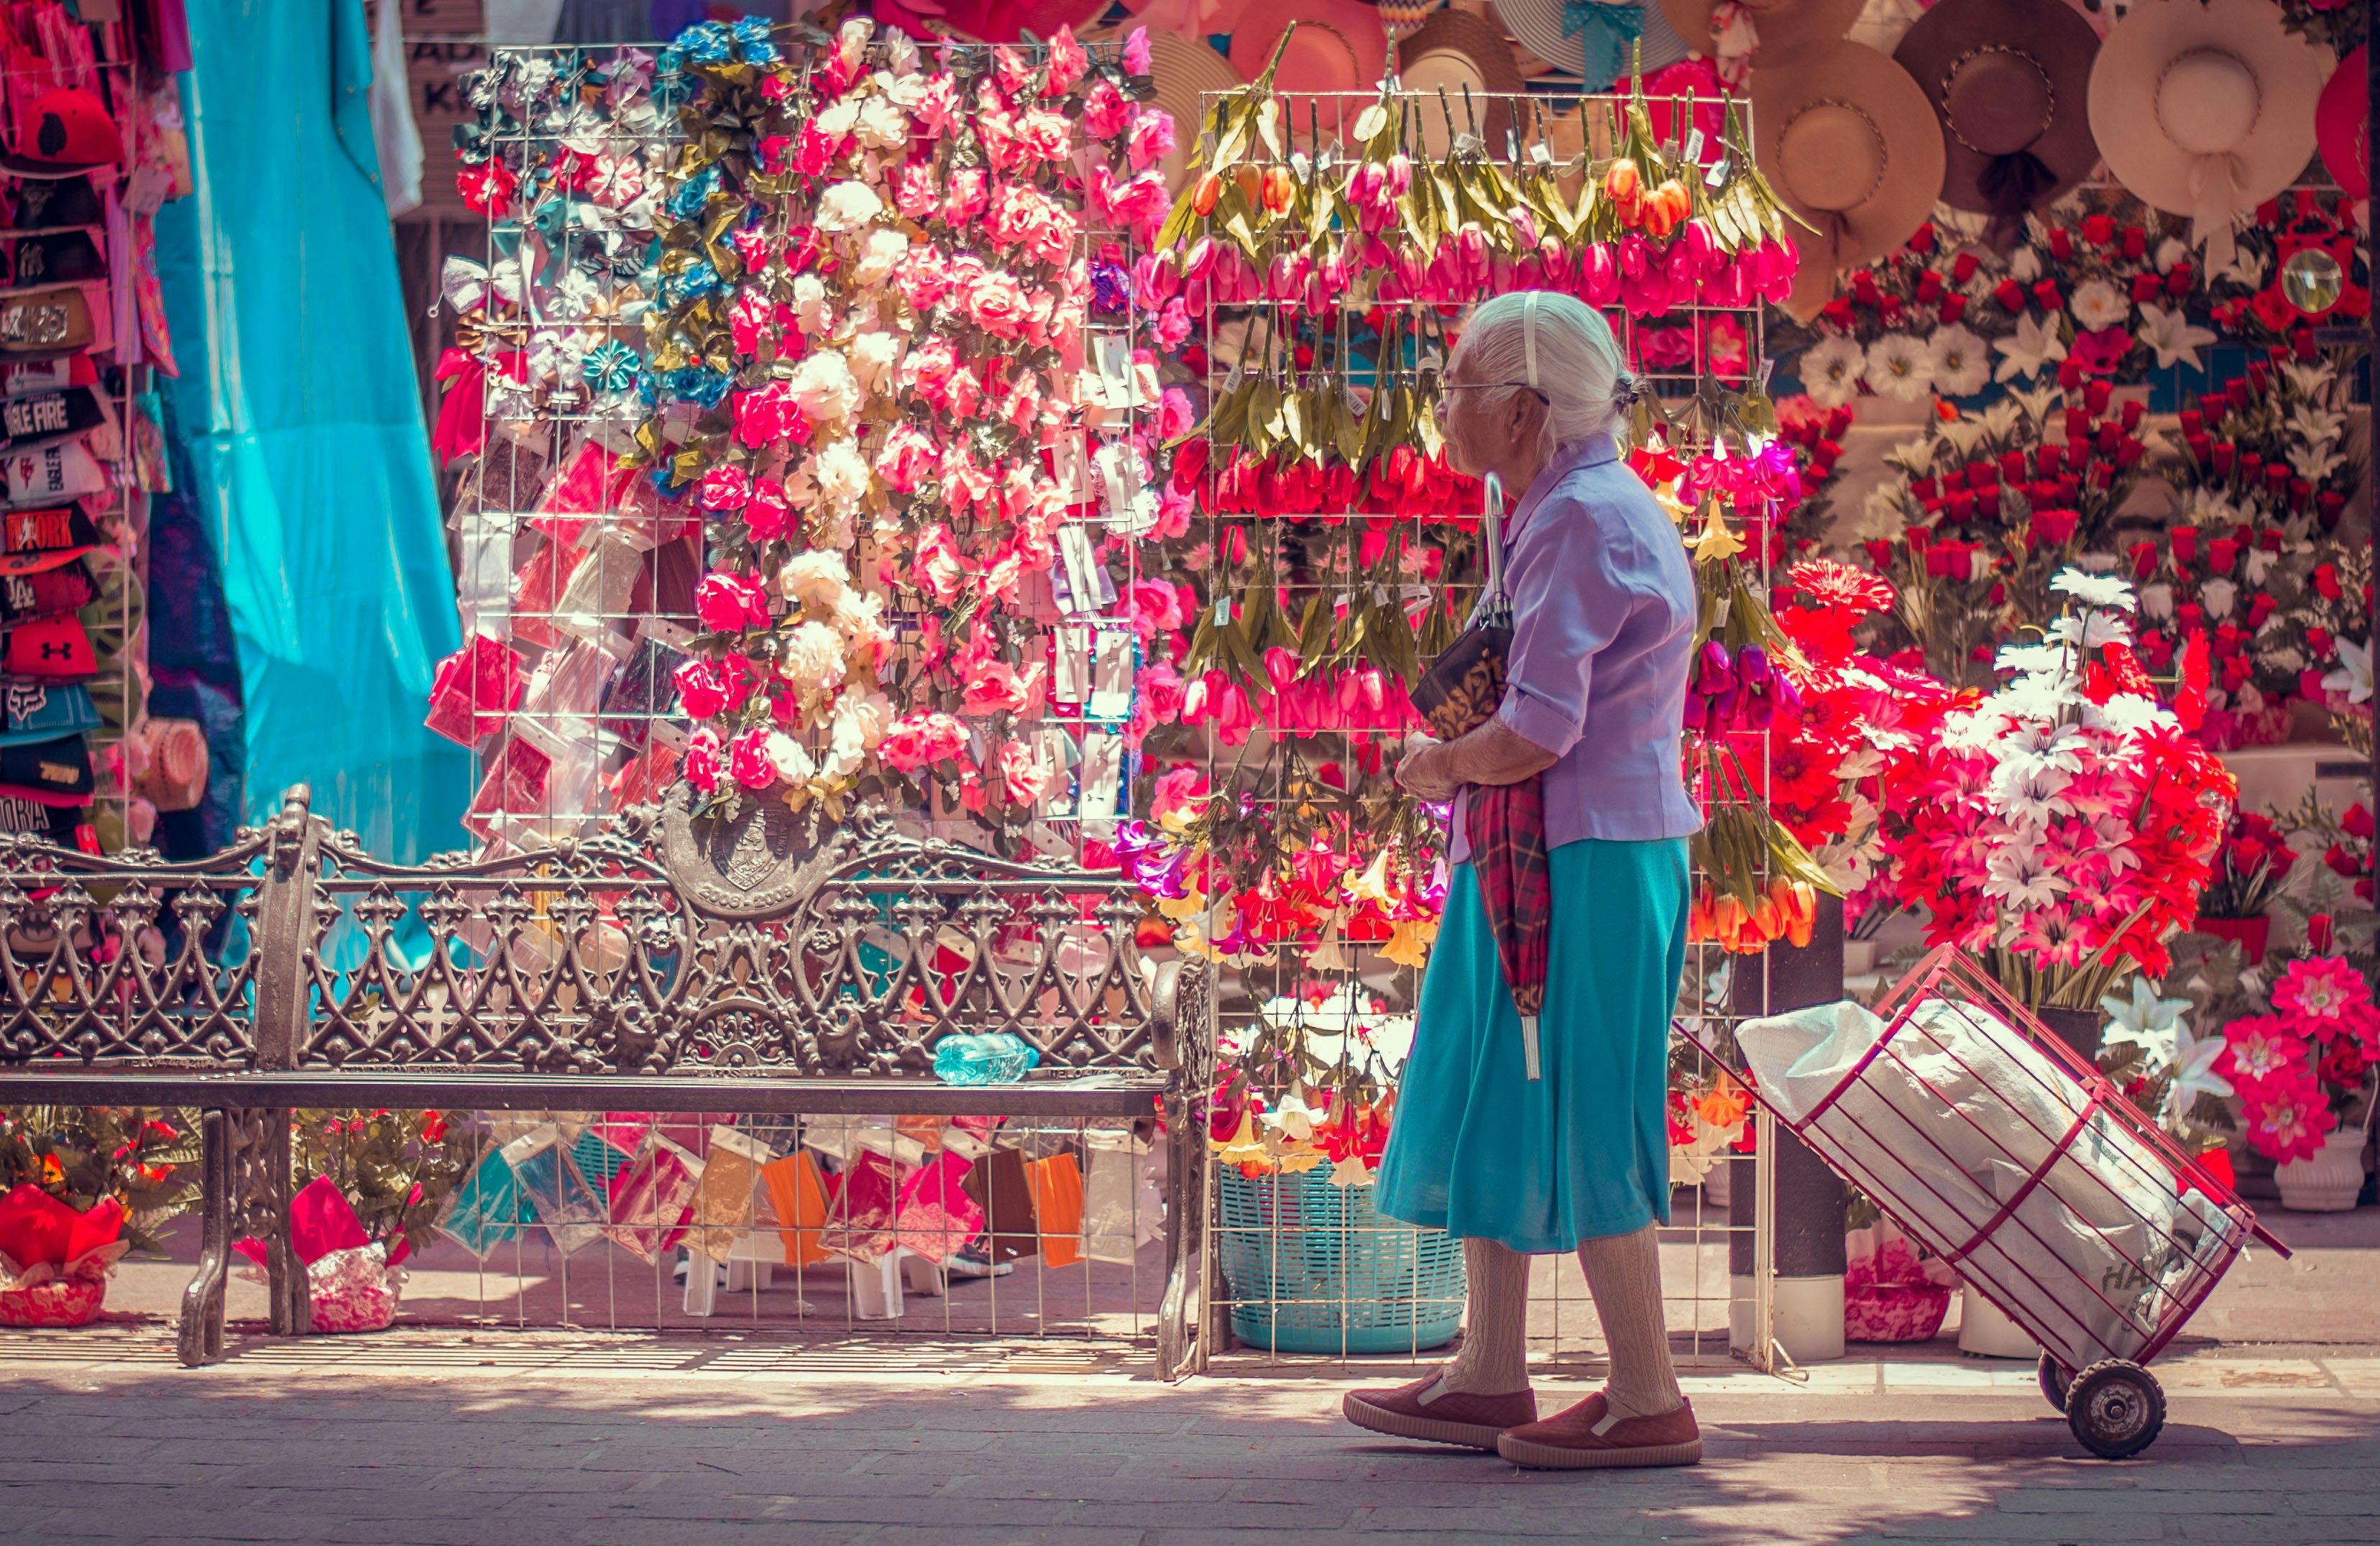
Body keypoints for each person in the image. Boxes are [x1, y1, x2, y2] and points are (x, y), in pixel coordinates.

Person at [1343, 291, 1704, 1470]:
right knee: (1499, 1090)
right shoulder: (1551, 504)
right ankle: (1490, 1371)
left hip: (1582, 857)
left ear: (1524, 410)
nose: (1442, 407)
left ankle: (1648, 1395)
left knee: (1591, 1104)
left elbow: (1540, 730)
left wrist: (1436, 765)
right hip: (1546, 854)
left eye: (1457, 385)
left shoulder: (1581, 520)